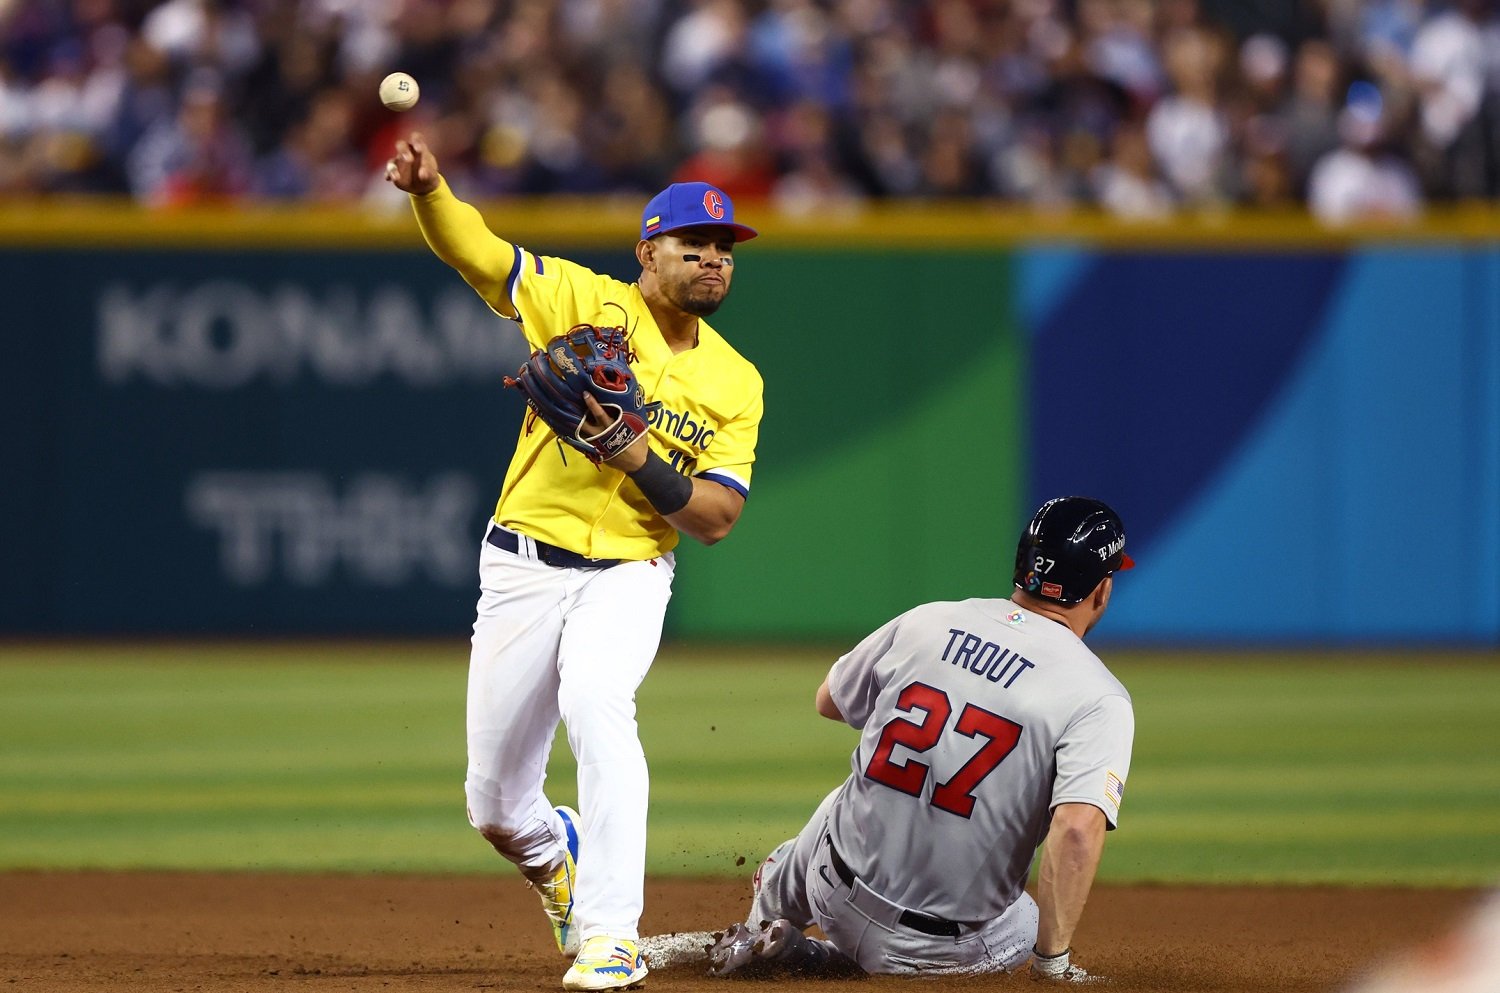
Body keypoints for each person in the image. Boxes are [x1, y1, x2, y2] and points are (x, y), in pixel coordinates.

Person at [385, 134, 763, 992]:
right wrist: (431, 191)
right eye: (693, 246)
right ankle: (559, 860)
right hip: (520, 563)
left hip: (631, 571)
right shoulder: (578, 298)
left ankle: (609, 936)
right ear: (647, 253)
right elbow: (478, 252)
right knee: (494, 804)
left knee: (599, 703)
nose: (712, 261)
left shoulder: (738, 382)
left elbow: (717, 519)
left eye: (724, 250)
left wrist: (635, 456)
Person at [706, 496, 1136, 981]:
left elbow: (830, 701)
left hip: (831, 888)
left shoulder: (929, 619)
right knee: (1028, 919)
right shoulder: (1099, 695)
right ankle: (830, 963)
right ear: (1101, 590)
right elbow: (1077, 829)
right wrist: (1051, 964)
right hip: (933, 950)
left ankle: (765, 923)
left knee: (843, 799)